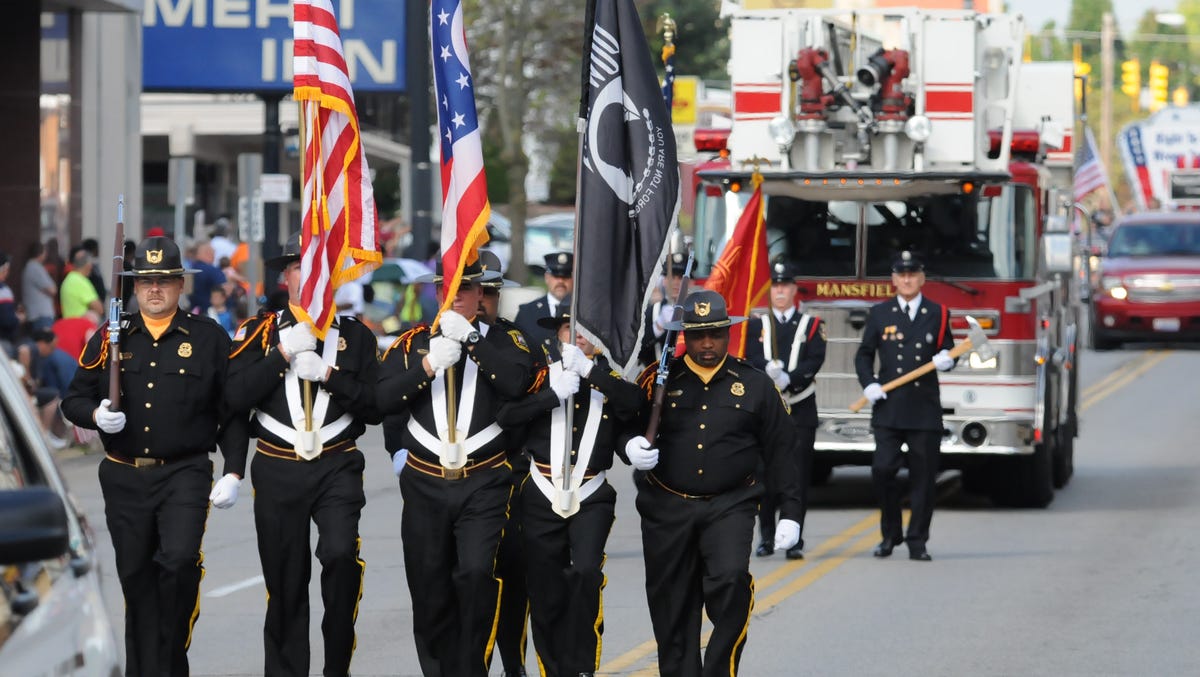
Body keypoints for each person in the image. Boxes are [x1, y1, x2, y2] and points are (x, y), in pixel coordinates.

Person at [61, 236, 232, 676]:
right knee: (136, 581)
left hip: (184, 474)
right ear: (134, 288)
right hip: (124, 476)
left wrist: (234, 469)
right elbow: (73, 399)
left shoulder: (208, 338)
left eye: (164, 281)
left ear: (179, 286)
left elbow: (229, 410)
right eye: (146, 281)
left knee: (177, 564)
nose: (154, 289)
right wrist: (97, 414)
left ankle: (170, 657)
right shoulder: (111, 337)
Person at [223, 235, 381, 677]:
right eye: (298, 268)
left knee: (339, 556)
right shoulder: (255, 333)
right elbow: (234, 397)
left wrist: (329, 374)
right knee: (286, 583)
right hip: (277, 466)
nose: (308, 276)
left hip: (337, 463)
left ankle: (336, 667)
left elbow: (373, 407)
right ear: (284, 278)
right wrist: (283, 353)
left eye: (318, 269)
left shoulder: (355, 336)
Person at [624, 289, 802, 677]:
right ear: (685, 334)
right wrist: (629, 447)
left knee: (731, 581)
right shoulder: (658, 379)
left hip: (730, 504)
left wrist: (791, 512)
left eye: (716, 334)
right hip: (666, 507)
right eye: (698, 334)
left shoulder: (754, 385)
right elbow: (623, 425)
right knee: (672, 605)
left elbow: (783, 450)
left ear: (728, 334)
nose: (707, 344)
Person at [377, 258, 535, 677]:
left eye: (467, 288)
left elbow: (517, 382)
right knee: (430, 588)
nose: (458, 295)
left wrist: (471, 342)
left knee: (477, 575)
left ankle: (473, 668)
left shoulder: (505, 341)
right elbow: (379, 401)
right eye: (449, 287)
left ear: (482, 294)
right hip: (426, 483)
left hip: (484, 480)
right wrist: (428, 366)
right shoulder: (411, 344)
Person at [497, 301, 642, 677]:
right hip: (542, 490)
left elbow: (634, 405)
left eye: (584, 332)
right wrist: (550, 394)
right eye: (568, 330)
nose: (575, 337)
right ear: (557, 334)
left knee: (585, 575)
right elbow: (507, 416)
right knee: (543, 591)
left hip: (591, 493)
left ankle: (581, 667)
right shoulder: (540, 375)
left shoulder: (610, 376)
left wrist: (592, 373)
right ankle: (553, 669)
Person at [855, 250, 955, 562]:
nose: (908, 279)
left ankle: (917, 541)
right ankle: (890, 533)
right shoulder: (880, 313)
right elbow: (863, 354)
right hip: (889, 408)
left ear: (922, 278)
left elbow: (949, 350)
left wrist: (948, 360)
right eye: (902, 274)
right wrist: (869, 383)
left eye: (913, 274)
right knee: (882, 470)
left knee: (923, 480)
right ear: (894, 280)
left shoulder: (937, 313)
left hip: (923, 410)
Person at [744, 261, 826, 559]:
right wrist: (767, 368)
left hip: (800, 408)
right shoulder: (757, 325)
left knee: (798, 476)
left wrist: (790, 377)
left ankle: (795, 539)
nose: (780, 290)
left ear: (793, 289)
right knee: (764, 477)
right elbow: (749, 356)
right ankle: (766, 536)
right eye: (775, 286)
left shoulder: (812, 325)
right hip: (766, 413)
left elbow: (815, 358)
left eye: (785, 285)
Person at [478, 249, 533, 677]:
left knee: (512, 584)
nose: (481, 301)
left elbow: (516, 388)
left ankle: (513, 665)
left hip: (505, 475)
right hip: (449, 481)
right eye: (472, 290)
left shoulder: (511, 341)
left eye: (489, 293)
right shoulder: (428, 337)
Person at [515, 251, 574, 353]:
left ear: (574, 279)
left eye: (566, 277)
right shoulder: (527, 313)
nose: (560, 281)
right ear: (547, 278)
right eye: (556, 276)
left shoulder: (584, 313)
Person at [638, 252, 687, 366]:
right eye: (671, 277)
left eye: (681, 278)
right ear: (664, 281)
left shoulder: (697, 310)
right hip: (656, 379)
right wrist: (658, 327)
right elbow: (637, 351)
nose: (675, 283)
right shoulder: (651, 312)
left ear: (690, 282)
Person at [22, 241, 58, 331]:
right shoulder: (35, 268)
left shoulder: (32, 267)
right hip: (41, 315)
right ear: (41, 253)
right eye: (45, 252)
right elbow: (52, 290)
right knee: (45, 342)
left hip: (38, 315)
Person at [60, 249, 103, 319]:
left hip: (69, 325)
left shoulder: (68, 279)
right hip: (81, 327)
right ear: (88, 265)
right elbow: (99, 308)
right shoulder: (80, 281)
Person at [187, 241, 227, 312]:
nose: (214, 256)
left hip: (194, 312)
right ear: (207, 253)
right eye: (213, 252)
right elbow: (225, 289)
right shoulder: (212, 271)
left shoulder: (190, 270)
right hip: (212, 314)